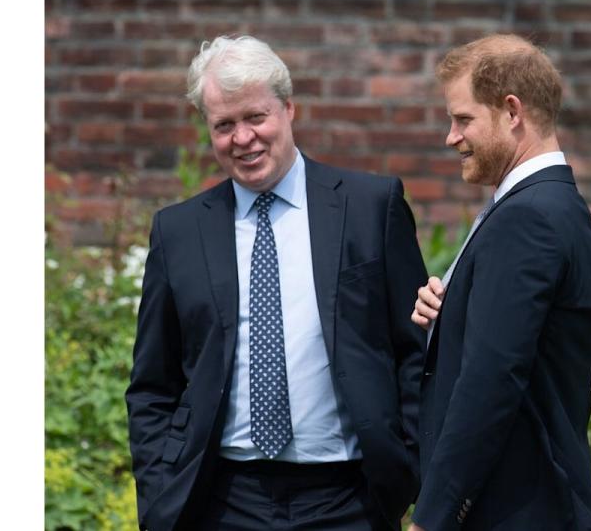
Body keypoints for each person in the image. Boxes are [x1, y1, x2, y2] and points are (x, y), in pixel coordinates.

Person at [125, 35, 427, 531]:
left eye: (255, 117)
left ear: (288, 109)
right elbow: (154, 383)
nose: (242, 138)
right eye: (224, 125)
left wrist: (410, 470)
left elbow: (415, 351)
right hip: (221, 501)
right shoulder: (178, 232)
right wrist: (160, 491)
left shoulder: (370, 207)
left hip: (349, 501)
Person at [408, 34, 591, 531]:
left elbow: (491, 380)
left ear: (512, 112)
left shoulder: (528, 218)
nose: (451, 137)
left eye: (463, 119)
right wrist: (447, 313)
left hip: (512, 510)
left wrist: (432, 518)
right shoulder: (551, 207)